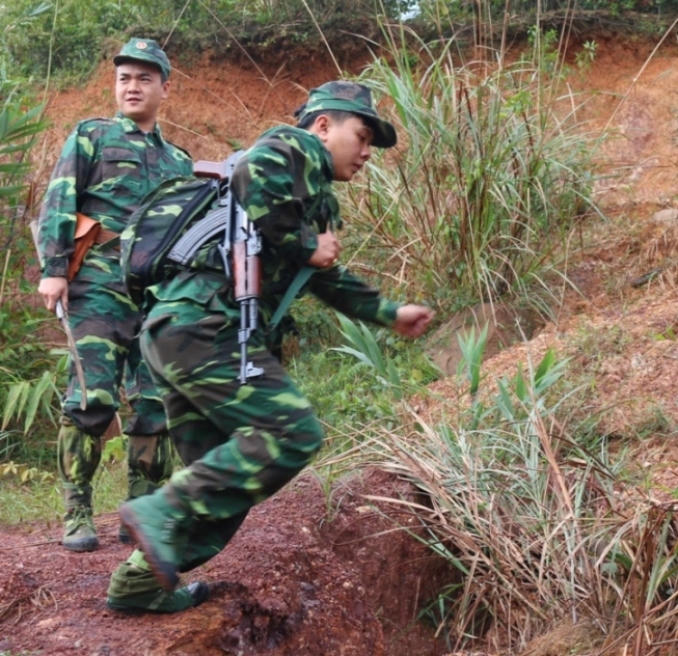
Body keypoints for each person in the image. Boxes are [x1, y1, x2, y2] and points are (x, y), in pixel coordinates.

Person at [106, 80, 434, 613]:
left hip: (175, 335)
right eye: (363, 134)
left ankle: (138, 584)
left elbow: (321, 275)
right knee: (292, 431)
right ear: (324, 126)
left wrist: (387, 313)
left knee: (225, 485)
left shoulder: (302, 198)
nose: (368, 151)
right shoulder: (291, 147)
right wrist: (309, 245)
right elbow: (250, 173)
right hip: (205, 329)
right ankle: (159, 508)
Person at [36, 38, 193, 553]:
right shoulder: (93, 136)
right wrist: (55, 270)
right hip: (98, 285)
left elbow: (190, 233)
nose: (132, 86)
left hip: (158, 295)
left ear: (164, 89)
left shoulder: (179, 162)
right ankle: (77, 507)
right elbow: (60, 196)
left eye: (145, 78)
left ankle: (140, 510)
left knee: (154, 404)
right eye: (125, 77)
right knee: (92, 398)